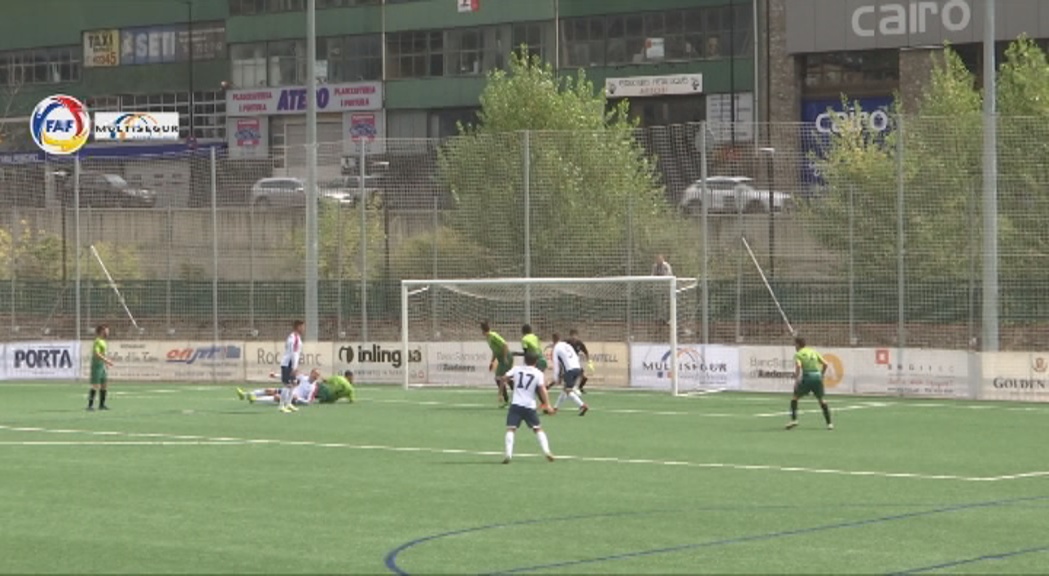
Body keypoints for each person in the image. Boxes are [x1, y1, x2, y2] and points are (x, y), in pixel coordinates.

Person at [500, 351, 555, 464]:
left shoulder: (517, 369)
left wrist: (501, 393)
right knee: (538, 429)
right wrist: (547, 404)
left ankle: (508, 454)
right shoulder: (538, 373)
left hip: (516, 404)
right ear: (536, 362)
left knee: (511, 429)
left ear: (525, 360)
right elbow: (542, 390)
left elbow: (503, 378)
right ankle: (546, 451)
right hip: (529, 406)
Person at [787, 336, 834, 430]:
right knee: (821, 400)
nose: (794, 347)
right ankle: (829, 424)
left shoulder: (798, 354)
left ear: (798, 345)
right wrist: (821, 374)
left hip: (807, 378)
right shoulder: (813, 351)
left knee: (795, 398)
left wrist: (796, 379)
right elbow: (826, 364)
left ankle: (794, 420)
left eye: (795, 345)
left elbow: (799, 366)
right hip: (817, 378)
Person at [549, 333, 589, 416]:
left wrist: (556, 377)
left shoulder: (556, 348)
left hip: (570, 370)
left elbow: (556, 364)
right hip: (577, 368)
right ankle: (555, 408)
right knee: (565, 389)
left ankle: (582, 405)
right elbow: (575, 356)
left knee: (568, 391)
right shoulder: (567, 345)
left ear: (553, 340)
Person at [238, 368, 318, 406]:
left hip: (294, 399)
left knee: (277, 397)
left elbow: (308, 402)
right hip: (289, 391)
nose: (315, 376)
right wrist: (275, 376)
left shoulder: (313, 387)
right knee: (269, 390)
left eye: (317, 375)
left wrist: (298, 399)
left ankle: (255, 400)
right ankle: (244, 395)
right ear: (311, 373)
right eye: (314, 374)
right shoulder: (303, 377)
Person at [482, 320, 513, 407]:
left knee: (501, 378)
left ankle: (509, 398)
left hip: (506, 358)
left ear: (483, 331)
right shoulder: (488, 338)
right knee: (502, 378)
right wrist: (492, 362)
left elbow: (505, 345)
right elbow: (495, 351)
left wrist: (505, 357)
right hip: (501, 360)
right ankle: (508, 399)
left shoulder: (493, 336)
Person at [278, 320, 305, 413]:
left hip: (291, 363)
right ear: (298, 327)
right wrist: (294, 367)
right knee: (287, 385)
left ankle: (289, 403)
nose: (303, 329)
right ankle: (281, 406)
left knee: (293, 384)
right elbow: (294, 353)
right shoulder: (294, 338)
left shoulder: (296, 337)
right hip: (288, 364)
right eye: (302, 326)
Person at [87, 324, 114, 411]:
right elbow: (97, 354)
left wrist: (105, 364)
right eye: (106, 330)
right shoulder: (97, 341)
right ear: (102, 331)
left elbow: (102, 354)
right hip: (96, 366)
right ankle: (90, 406)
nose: (108, 332)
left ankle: (102, 405)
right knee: (95, 385)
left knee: (104, 385)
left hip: (102, 366)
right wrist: (107, 361)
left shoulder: (103, 342)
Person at [566, 328, 594, 394]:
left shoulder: (579, 343)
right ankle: (572, 387)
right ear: (570, 336)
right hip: (567, 361)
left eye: (575, 336)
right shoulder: (566, 343)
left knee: (583, 375)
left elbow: (586, 352)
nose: (574, 337)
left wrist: (589, 360)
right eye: (572, 336)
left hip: (575, 361)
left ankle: (579, 387)